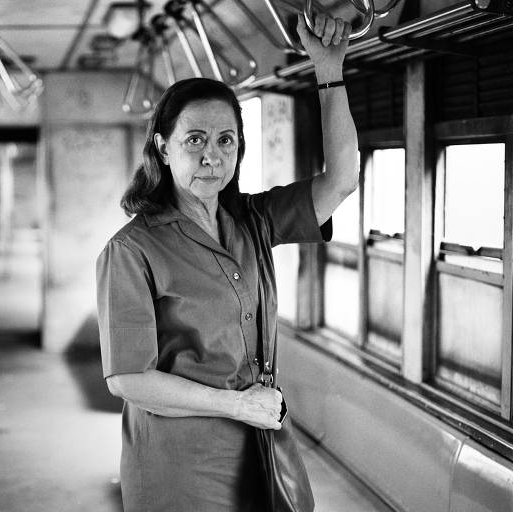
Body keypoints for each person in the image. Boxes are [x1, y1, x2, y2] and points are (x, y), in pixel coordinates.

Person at [96, 13, 358, 512]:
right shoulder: (131, 251)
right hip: (179, 463)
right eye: (194, 139)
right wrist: (238, 405)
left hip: (259, 445)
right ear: (163, 147)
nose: (211, 156)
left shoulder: (254, 220)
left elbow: (341, 180)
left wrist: (329, 70)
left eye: (225, 140)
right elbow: (128, 379)